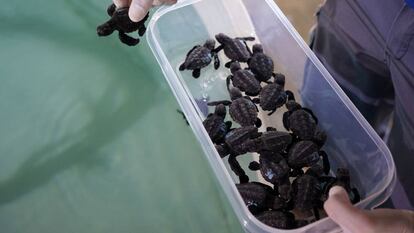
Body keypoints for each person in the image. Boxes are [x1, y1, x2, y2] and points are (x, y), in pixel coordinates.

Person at [114, 0, 414, 232]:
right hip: (365, 9)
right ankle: (342, 185)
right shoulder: (272, 130)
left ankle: (364, 195)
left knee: (400, 191)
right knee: (325, 104)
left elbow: (263, 135)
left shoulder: (267, 131)